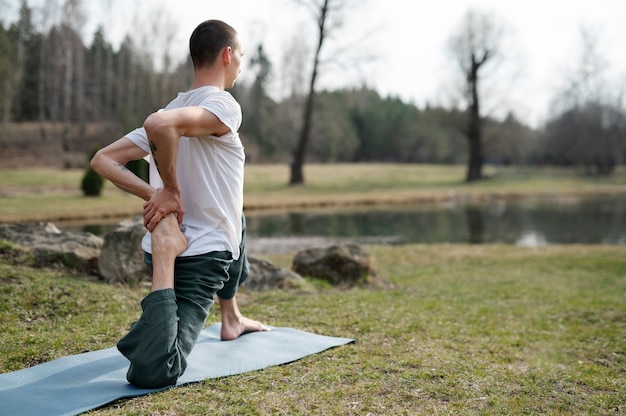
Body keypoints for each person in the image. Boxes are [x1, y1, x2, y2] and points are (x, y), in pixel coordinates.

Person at [90, 19, 269, 389]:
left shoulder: (177, 105)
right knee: (157, 370)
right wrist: (168, 190)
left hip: (199, 242)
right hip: (198, 260)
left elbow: (102, 160)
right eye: (241, 57)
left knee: (235, 214)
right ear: (227, 54)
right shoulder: (222, 104)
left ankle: (231, 316)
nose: (241, 66)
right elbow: (159, 125)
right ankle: (165, 266)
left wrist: (152, 194)